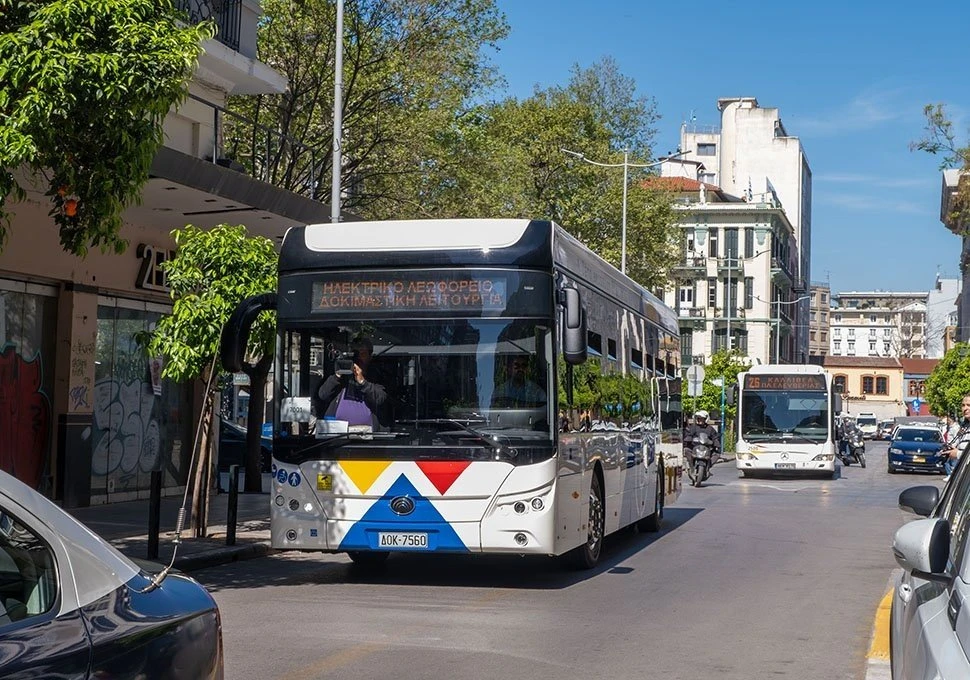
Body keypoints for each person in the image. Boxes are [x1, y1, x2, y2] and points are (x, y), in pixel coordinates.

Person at [317, 337, 389, 429]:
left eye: (362, 353)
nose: (358, 357)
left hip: (368, 437)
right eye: (355, 353)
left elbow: (380, 398)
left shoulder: (376, 377)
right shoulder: (340, 377)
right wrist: (337, 376)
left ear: (370, 357)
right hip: (338, 434)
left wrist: (363, 382)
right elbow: (323, 395)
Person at [942, 395, 970, 482]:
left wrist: (957, 454)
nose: (965, 408)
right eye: (963, 405)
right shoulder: (963, 427)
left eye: (969, 405)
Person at [684, 410, 719, 477]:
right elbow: (689, 434)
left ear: (705, 419)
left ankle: (708, 466)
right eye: (698, 418)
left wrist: (716, 444)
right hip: (695, 447)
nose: (699, 420)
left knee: (716, 454)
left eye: (701, 418)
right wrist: (688, 439)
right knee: (687, 450)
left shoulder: (710, 429)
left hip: (706, 448)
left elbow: (715, 437)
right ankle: (691, 467)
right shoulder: (693, 427)